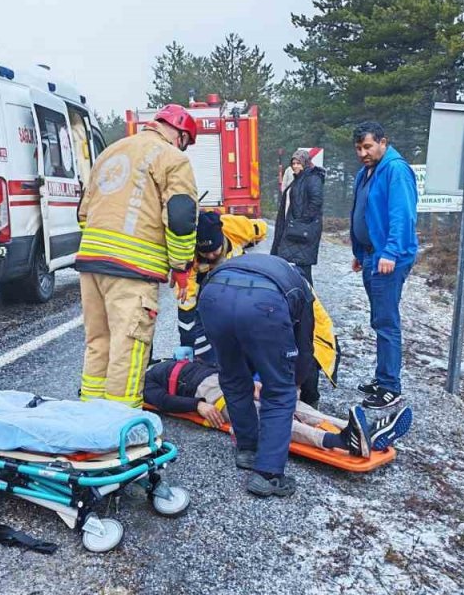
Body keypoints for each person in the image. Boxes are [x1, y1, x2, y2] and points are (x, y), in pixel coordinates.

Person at [76, 104, 198, 408]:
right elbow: (181, 216)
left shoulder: (111, 153)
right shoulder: (173, 158)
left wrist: (103, 245)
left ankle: (89, 416)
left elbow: (83, 212)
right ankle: (122, 426)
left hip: (91, 262)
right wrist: (180, 266)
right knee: (128, 348)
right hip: (132, 269)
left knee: (98, 343)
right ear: (181, 135)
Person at [196, 253, 321, 497]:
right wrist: (293, 384)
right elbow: (304, 348)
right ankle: (268, 475)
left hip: (212, 295)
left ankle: (247, 449)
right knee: (279, 391)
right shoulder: (303, 290)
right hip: (264, 303)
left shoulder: (258, 265)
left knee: (233, 378)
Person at [143, 358, 413, 459]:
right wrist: (197, 405)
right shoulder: (147, 381)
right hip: (210, 396)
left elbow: (220, 367)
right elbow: (163, 403)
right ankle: (338, 440)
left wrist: (250, 383)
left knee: (286, 402)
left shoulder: (169, 360)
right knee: (264, 417)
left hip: (229, 383)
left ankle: (354, 428)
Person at [349, 121, 418, 410]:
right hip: (370, 255)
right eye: (359, 148)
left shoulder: (395, 170)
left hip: (388, 258)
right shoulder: (366, 172)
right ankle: (383, 377)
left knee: (387, 322)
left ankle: (390, 387)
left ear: (382, 142)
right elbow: (363, 213)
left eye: (368, 146)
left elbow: (402, 215)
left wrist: (390, 251)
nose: (363, 153)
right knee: (379, 319)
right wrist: (359, 251)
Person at [174, 211, 267, 365]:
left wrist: (249, 243)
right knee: (204, 345)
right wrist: (187, 343)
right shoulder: (189, 260)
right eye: (206, 252)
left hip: (241, 281)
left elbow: (262, 228)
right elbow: (186, 304)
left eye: (214, 251)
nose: (210, 256)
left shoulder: (236, 227)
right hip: (209, 289)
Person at [271, 149, 326, 285]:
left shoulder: (313, 178)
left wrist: (301, 222)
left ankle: (310, 302)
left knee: (303, 270)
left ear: (306, 163)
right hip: (293, 228)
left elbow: (316, 202)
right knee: (290, 267)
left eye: (298, 163)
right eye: (293, 163)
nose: (295, 166)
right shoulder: (298, 179)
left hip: (302, 230)